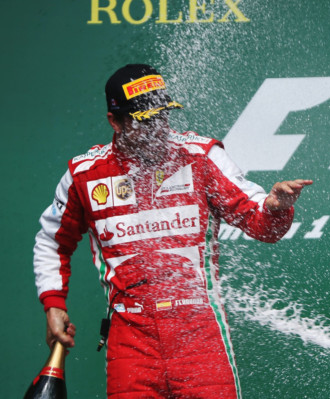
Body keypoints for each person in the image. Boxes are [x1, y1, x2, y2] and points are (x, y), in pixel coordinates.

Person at [32, 64, 312, 398]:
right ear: (115, 122)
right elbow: (51, 242)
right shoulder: (85, 174)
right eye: (145, 120)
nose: (157, 129)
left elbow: (260, 223)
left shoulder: (200, 157)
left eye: (162, 116)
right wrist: (53, 304)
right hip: (130, 340)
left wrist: (275, 207)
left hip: (199, 334)